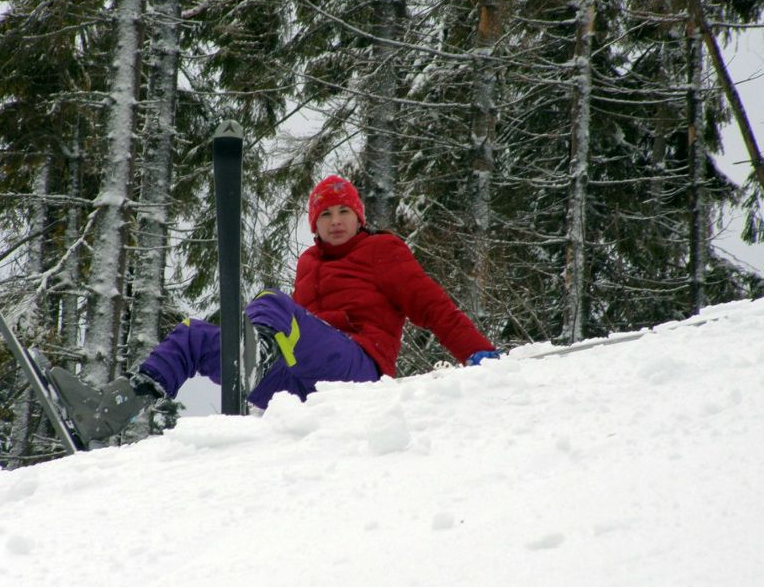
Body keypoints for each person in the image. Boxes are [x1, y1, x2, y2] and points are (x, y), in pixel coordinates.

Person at [66, 175, 498, 442]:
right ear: (314, 223)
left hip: (360, 370)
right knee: (193, 335)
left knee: (271, 303)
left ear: (359, 215)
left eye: (345, 210)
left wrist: (478, 353)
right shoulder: (309, 263)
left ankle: (254, 357)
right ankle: (112, 408)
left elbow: (433, 306)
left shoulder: (382, 250)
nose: (336, 220)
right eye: (325, 213)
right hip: (298, 384)